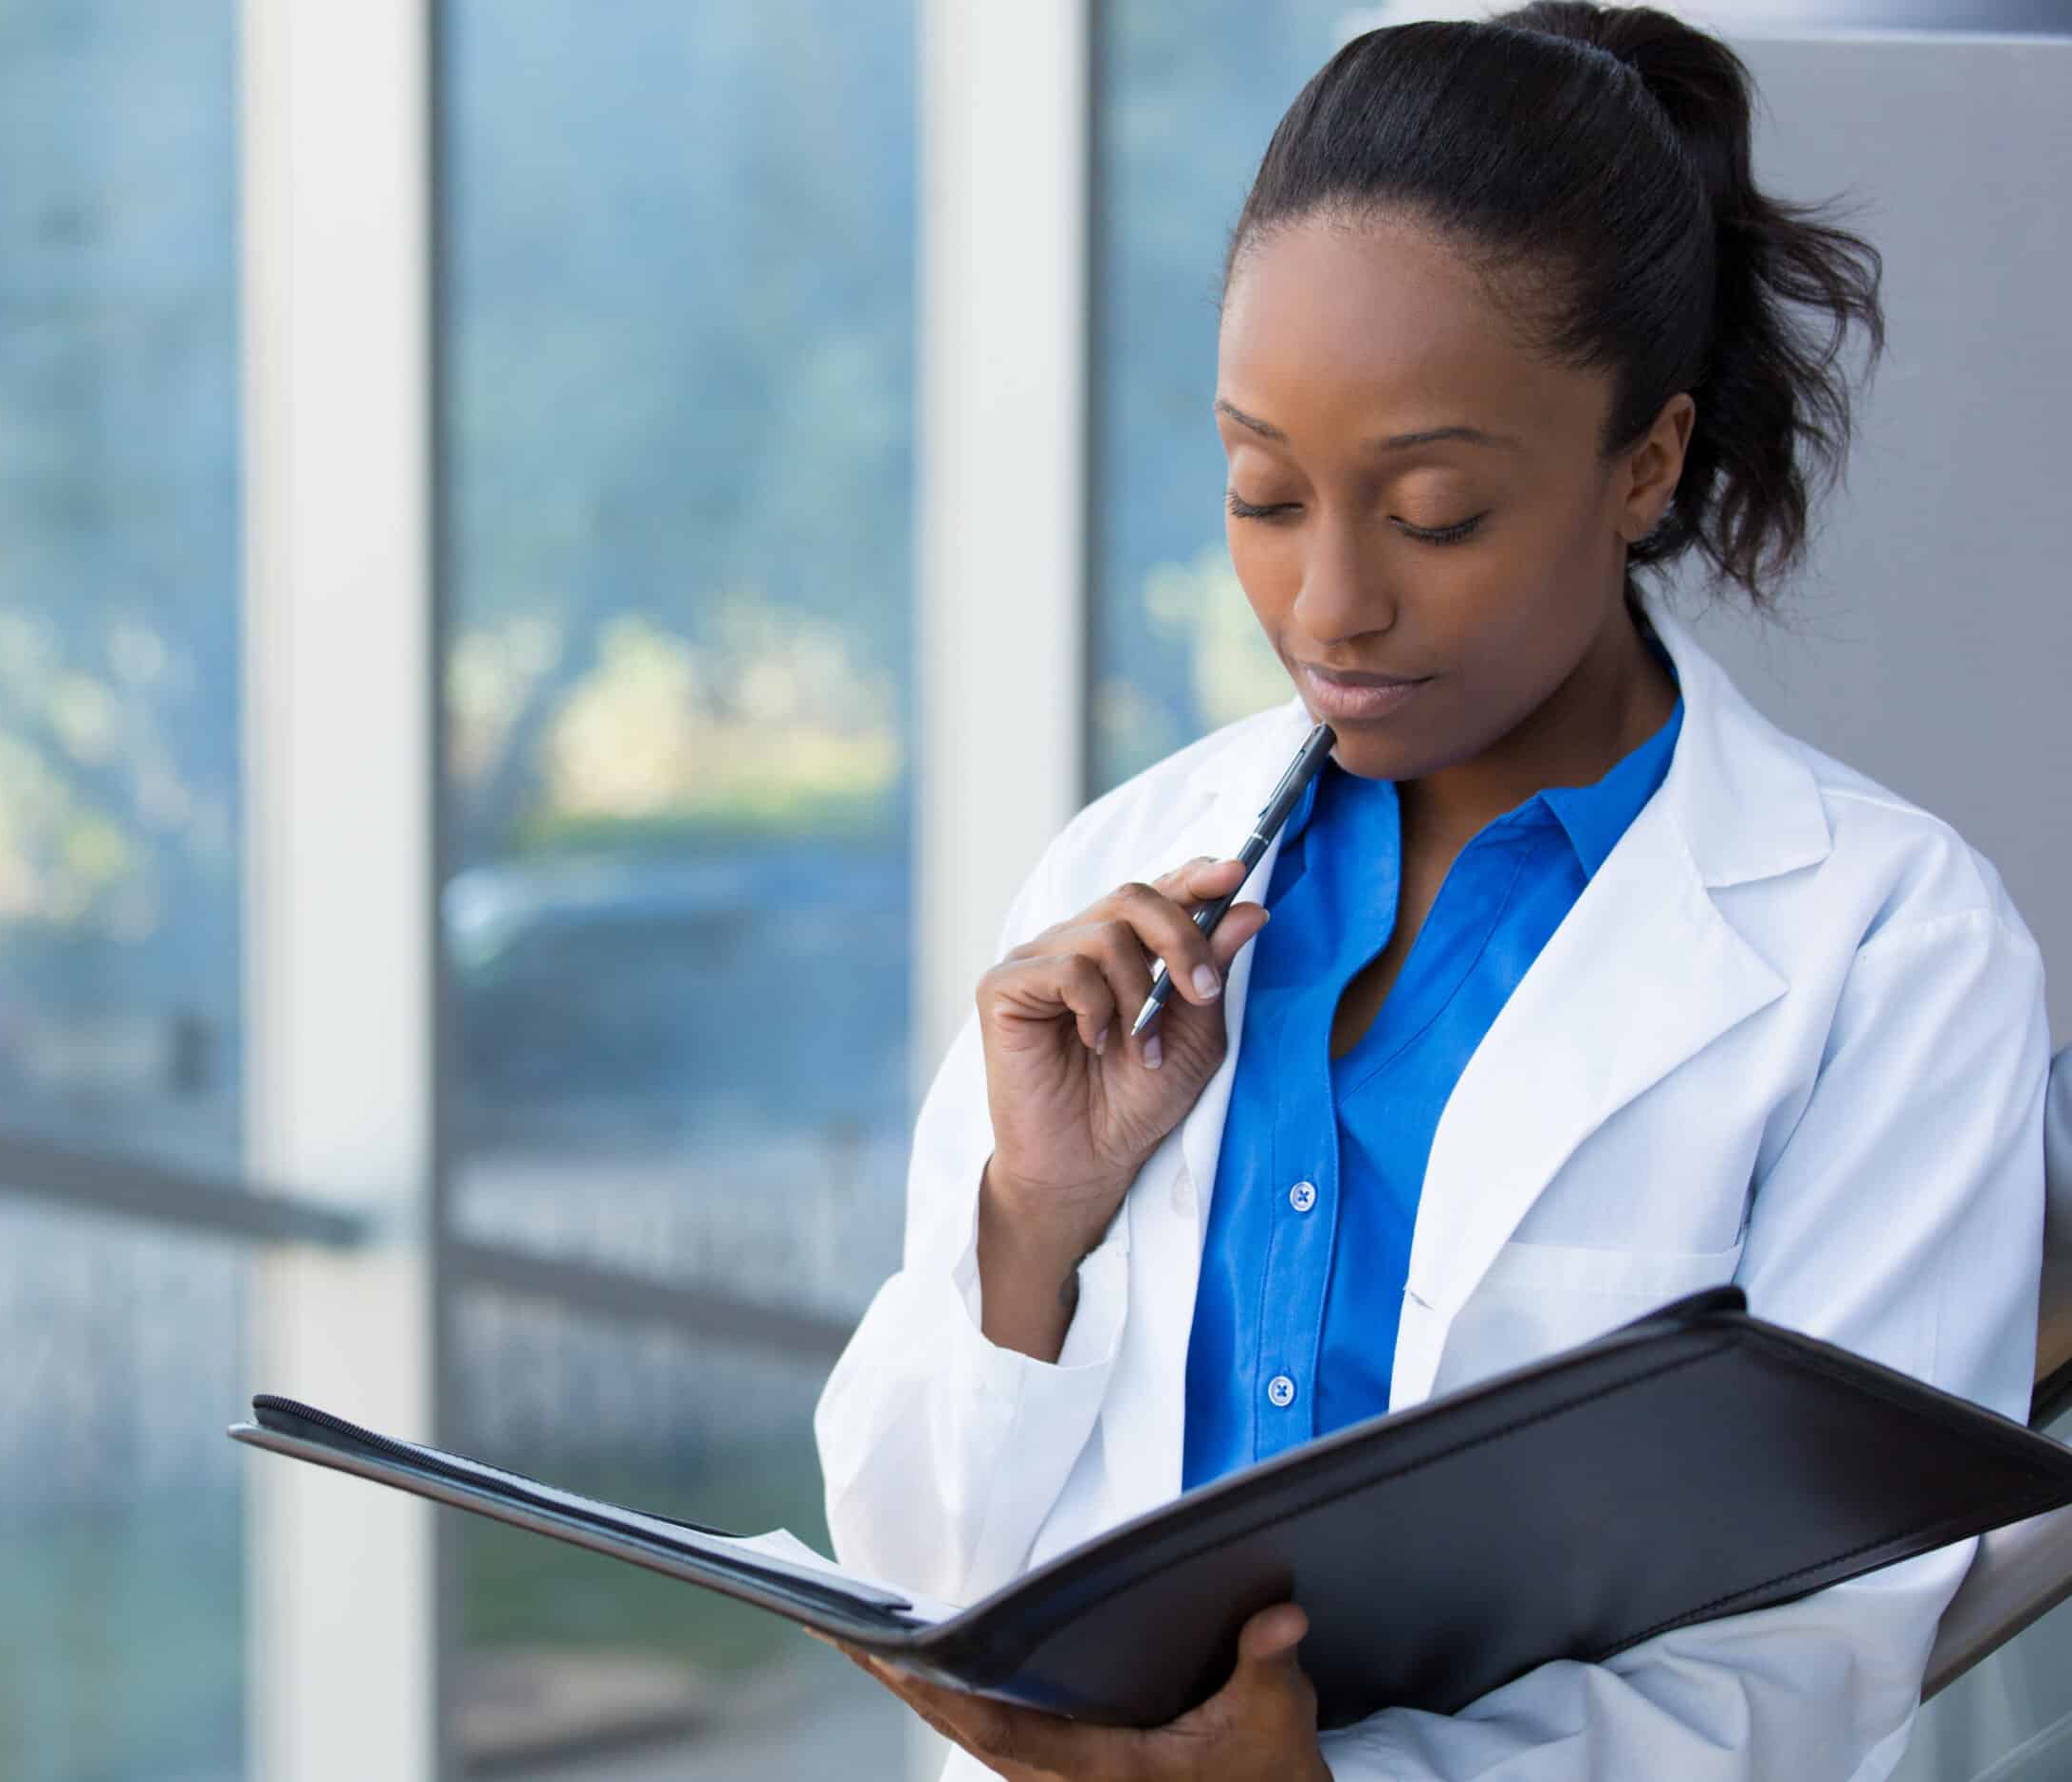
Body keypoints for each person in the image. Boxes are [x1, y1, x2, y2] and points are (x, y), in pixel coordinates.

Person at [811, 5, 2051, 1778]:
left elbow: (1822, 1654)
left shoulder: (1887, 954)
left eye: (1437, 514)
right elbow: (919, 1571)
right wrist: (1035, 1224)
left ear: (1648, 462)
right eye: (1262, 491)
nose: (1329, 606)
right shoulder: (1123, 868)